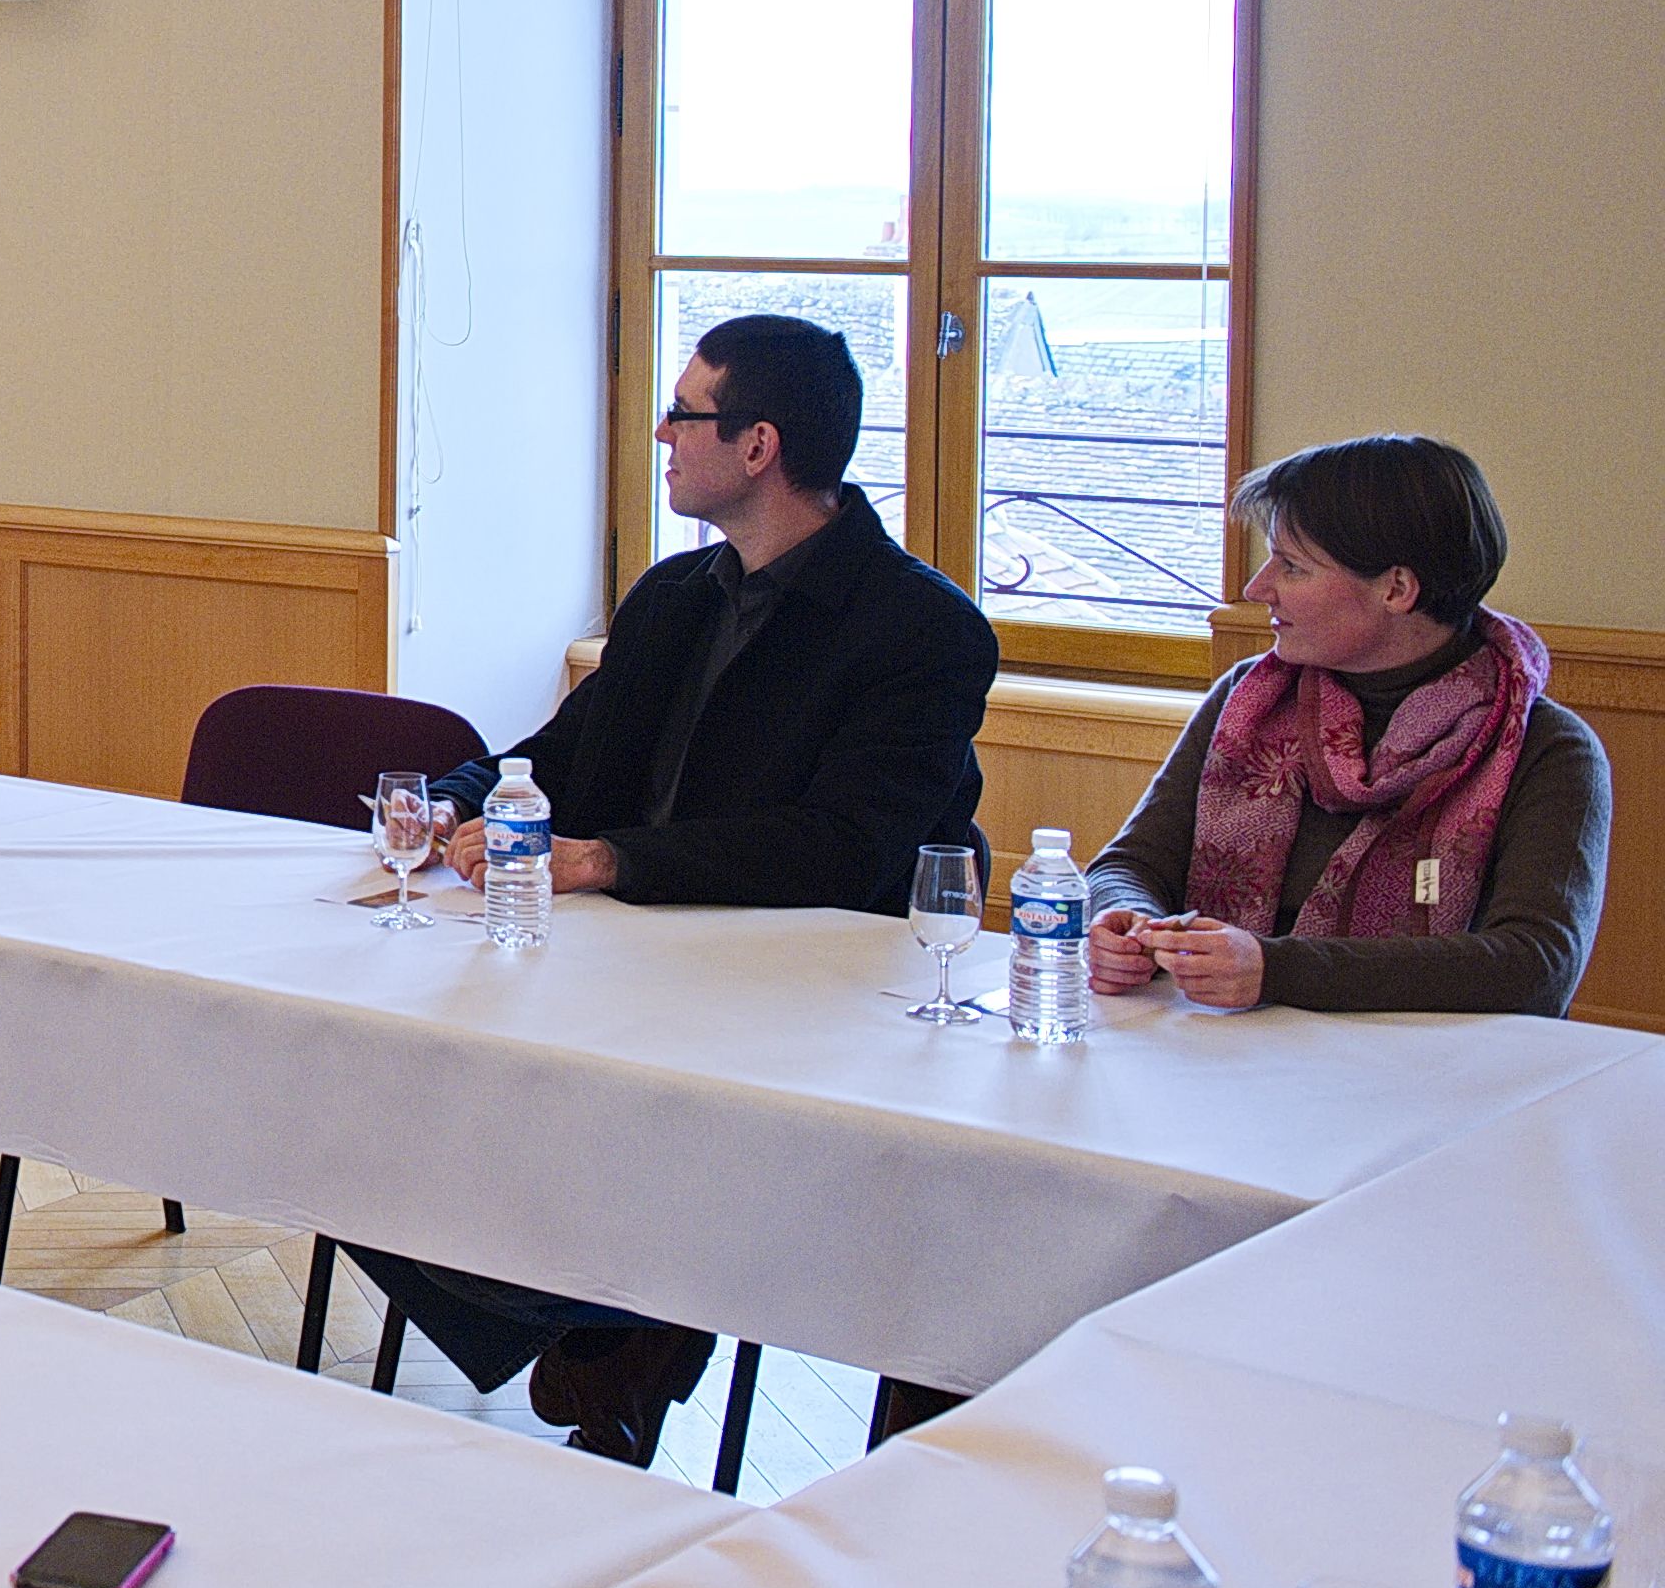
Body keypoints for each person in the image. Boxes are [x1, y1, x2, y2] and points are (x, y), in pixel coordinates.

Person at [358, 313, 1001, 1464]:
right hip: (610, 967)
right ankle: (625, 1317)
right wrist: (455, 798)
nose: (660, 431)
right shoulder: (674, 595)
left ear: (757, 446)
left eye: (684, 411)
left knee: (475, 1132)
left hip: (788, 1003)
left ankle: (640, 1311)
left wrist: (611, 861)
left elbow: (846, 847)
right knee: (355, 1098)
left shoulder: (921, 628)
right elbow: (560, 756)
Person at [1085, 434, 1607, 1016]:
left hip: (1431, 1080)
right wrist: (1124, 919)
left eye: (1293, 566)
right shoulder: (1249, 698)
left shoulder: (1547, 749)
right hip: (1217, 1048)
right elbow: (1130, 864)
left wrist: (1275, 970)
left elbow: (1535, 965)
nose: (1257, 589)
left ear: (1397, 589)